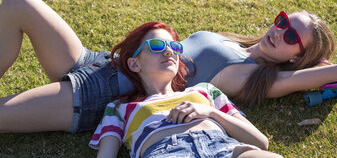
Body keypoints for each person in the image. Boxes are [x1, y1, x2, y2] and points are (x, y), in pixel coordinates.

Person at [0, 0, 337, 133]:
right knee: (20, 1)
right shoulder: (239, 45)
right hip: (102, 63)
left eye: (291, 37)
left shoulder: (253, 76)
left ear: (297, 57)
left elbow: (324, 76)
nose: (278, 31)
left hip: (104, 96)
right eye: (283, 21)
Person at [89, 23, 281, 158]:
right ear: (134, 64)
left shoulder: (205, 91)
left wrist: (211, 112)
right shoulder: (119, 108)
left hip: (225, 148)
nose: (169, 51)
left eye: (174, 47)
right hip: (167, 152)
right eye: (156, 46)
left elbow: (260, 142)